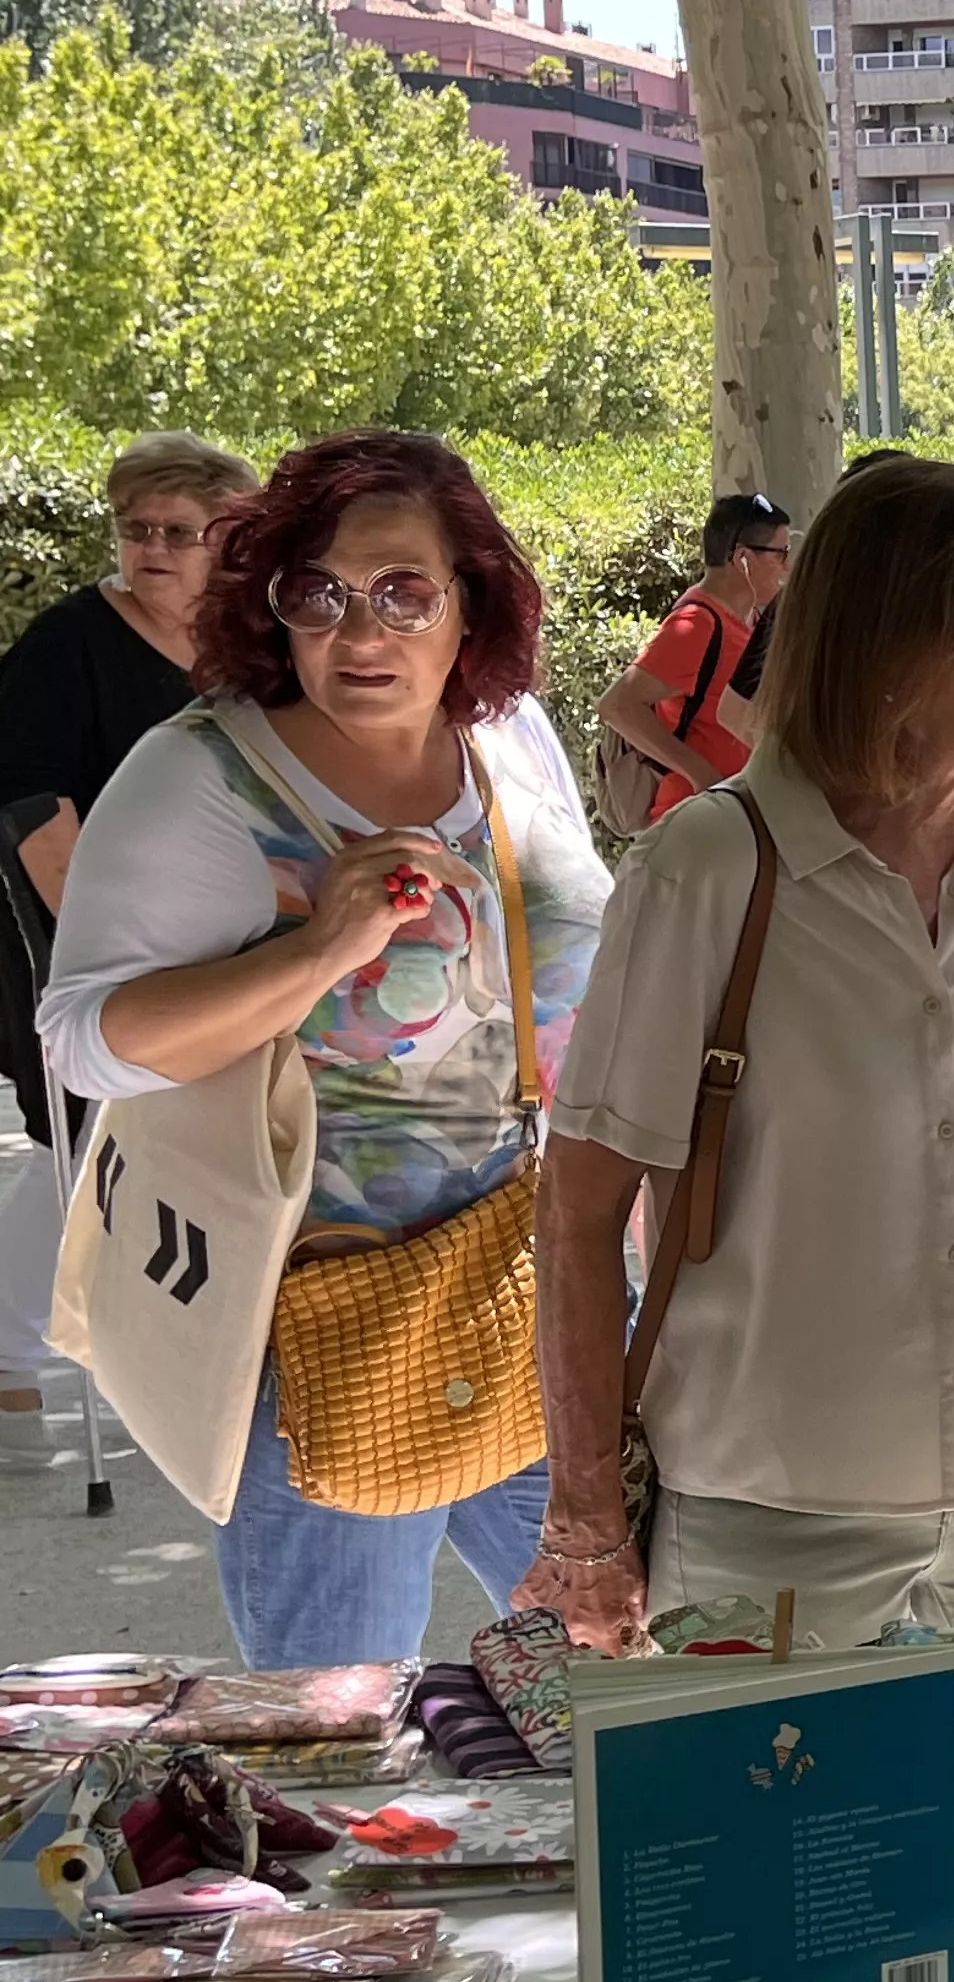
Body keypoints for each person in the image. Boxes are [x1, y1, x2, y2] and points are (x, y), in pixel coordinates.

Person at [517, 455, 954, 1652]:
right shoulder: (709, 870)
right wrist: (588, 1517)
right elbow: (580, 1212)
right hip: (772, 1499)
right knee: (772, 1843)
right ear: (878, 638)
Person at [39, 433, 604, 1664]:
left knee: (639, 1672)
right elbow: (86, 1041)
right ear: (274, 605)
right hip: (321, 1320)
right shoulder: (201, 778)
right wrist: (312, 955)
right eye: (319, 594)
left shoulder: (508, 737)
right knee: (339, 1731)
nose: (362, 630)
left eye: (405, 591)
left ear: (473, 603)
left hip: (532, 1288)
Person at [0, 433, 258, 1415]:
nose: (150, 548)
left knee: (195, 1134)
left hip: (217, 934)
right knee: (91, 1134)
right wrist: (105, 951)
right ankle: (9, 1348)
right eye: (135, 527)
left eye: (178, 532)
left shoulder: (244, 644)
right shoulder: (71, 646)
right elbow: (31, 807)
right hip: (82, 931)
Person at [596, 492, 792, 826]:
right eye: (781, 553)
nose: (787, 566)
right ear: (743, 559)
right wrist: (702, 776)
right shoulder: (697, 623)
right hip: (692, 824)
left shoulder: (753, 622)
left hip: (736, 820)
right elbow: (616, 706)